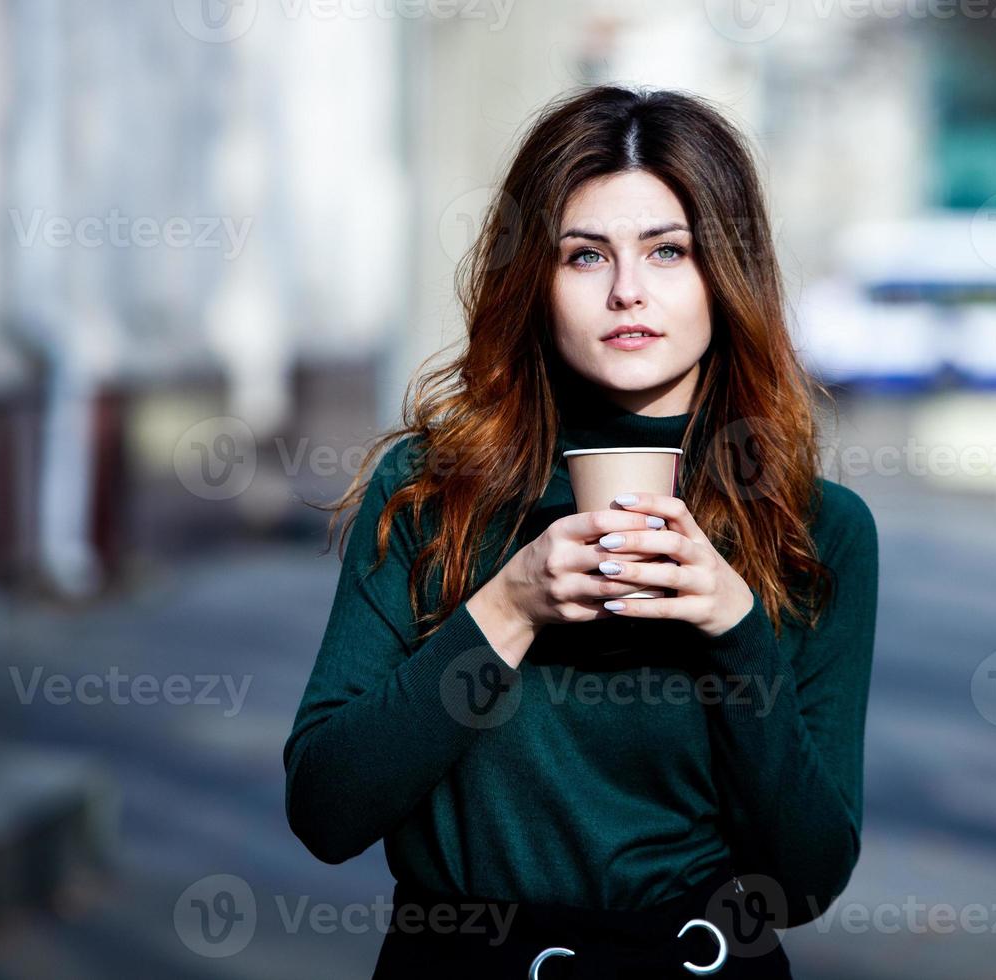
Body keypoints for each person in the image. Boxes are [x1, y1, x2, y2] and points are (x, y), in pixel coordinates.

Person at [283, 84, 879, 978]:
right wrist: (509, 609)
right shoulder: (432, 493)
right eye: (586, 256)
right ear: (535, 280)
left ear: (726, 275)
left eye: (668, 251)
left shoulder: (811, 529)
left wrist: (735, 629)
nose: (628, 292)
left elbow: (804, 881)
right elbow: (327, 811)